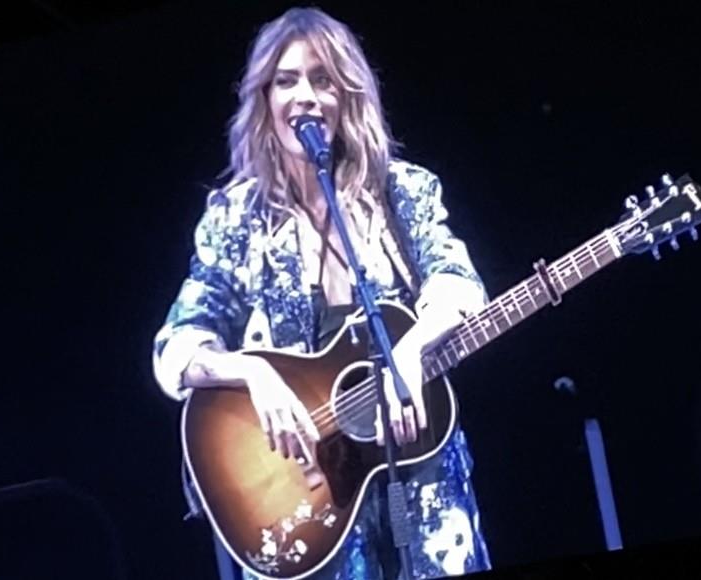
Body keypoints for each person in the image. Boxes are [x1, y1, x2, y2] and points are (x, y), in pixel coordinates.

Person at [152, 7, 491, 579]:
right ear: (264, 100)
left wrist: (407, 351)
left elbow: (458, 285)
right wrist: (253, 374)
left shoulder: (401, 191)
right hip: (310, 501)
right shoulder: (238, 217)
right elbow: (177, 347)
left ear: (347, 95)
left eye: (322, 79)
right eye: (286, 80)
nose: (303, 95)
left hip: (425, 488)